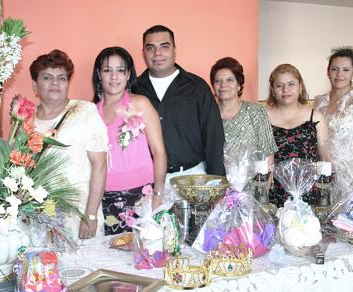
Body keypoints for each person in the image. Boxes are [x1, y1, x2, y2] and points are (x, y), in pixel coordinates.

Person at [133, 25, 225, 188]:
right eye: (150, 48)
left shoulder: (197, 87)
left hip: (193, 178)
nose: (157, 53)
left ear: (175, 50)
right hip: (146, 183)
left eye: (164, 46)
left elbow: (214, 137)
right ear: (143, 53)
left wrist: (217, 184)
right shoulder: (133, 89)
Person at [30, 49, 108, 240]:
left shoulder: (84, 111)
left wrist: (90, 215)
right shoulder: (25, 120)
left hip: (80, 214)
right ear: (35, 85)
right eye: (47, 77)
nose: (55, 83)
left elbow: (100, 165)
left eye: (62, 78)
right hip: (39, 217)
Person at [92, 46, 167, 235]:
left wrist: (158, 193)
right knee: (110, 257)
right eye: (107, 70)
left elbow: (159, 152)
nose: (114, 77)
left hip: (141, 195)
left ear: (128, 75)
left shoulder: (140, 103)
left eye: (120, 70)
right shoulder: (91, 111)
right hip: (104, 196)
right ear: (99, 74)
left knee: (143, 255)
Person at [315, 47, 353, 203]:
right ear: (328, 71)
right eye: (335, 69)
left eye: (345, 70)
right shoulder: (319, 102)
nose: (339, 74)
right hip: (322, 175)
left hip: (352, 179)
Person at [267, 64, 330, 207]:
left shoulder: (316, 116)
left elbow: (326, 159)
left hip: (309, 191)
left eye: (291, 84)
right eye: (279, 85)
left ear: (300, 87)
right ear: (273, 90)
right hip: (274, 192)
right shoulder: (263, 117)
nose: (285, 90)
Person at [210, 56, 277, 173]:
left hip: (251, 186)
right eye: (218, 81)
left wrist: (264, 186)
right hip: (215, 186)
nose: (223, 85)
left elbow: (268, 154)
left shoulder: (256, 112)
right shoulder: (207, 115)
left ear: (239, 85)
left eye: (229, 80)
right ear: (213, 86)